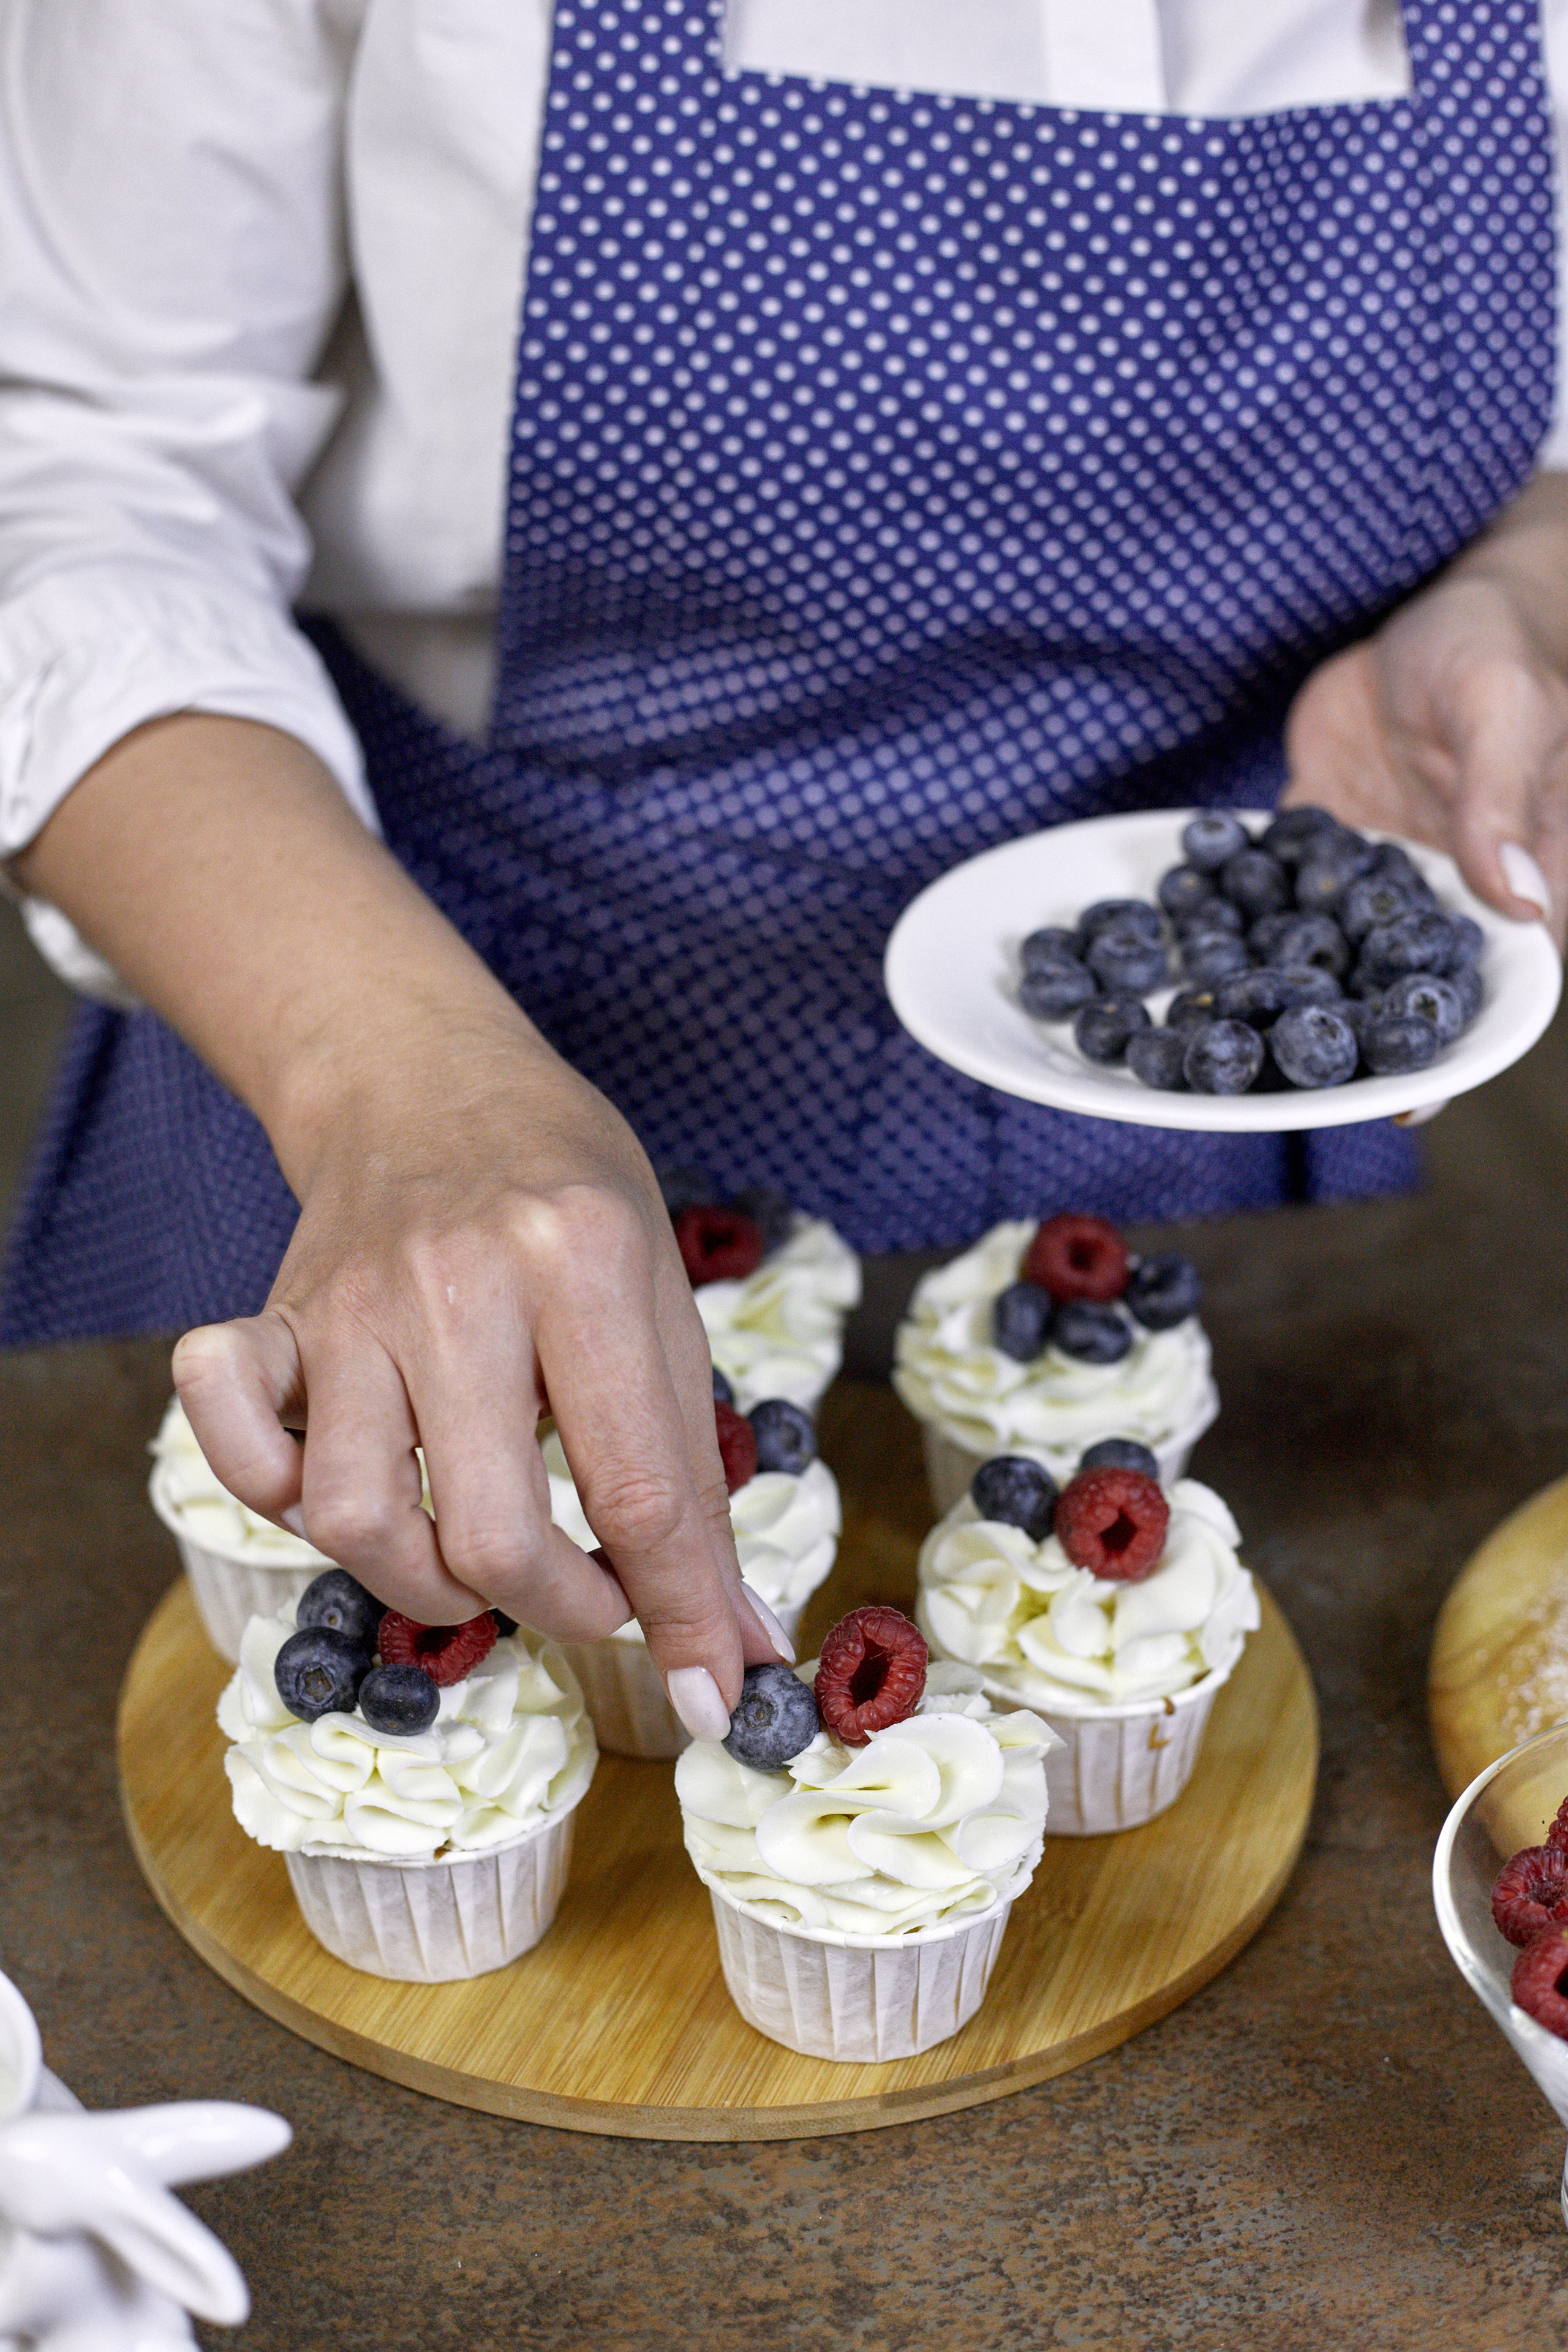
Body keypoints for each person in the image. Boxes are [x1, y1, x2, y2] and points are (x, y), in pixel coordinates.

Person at [0, 0, 1564, 1740]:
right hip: (415, 1071)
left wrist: (1523, 588)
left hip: (1204, 1101)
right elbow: (75, 477)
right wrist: (391, 1079)